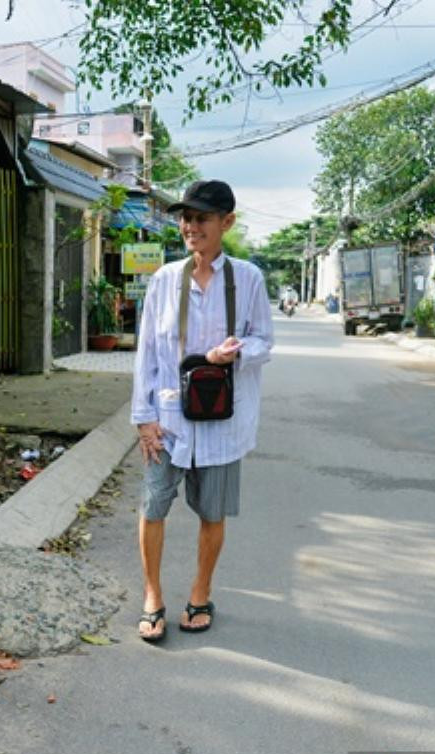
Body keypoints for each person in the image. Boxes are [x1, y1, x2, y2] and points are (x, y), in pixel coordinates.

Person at [131, 180, 273, 641]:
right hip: (168, 421)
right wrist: (144, 418)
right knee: (153, 508)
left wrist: (239, 352)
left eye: (201, 218)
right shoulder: (163, 279)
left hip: (223, 420)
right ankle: (152, 595)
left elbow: (264, 341)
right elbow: (148, 353)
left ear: (226, 223)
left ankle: (200, 591)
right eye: (185, 218)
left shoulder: (248, 278)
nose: (190, 227)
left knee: (213, 514)